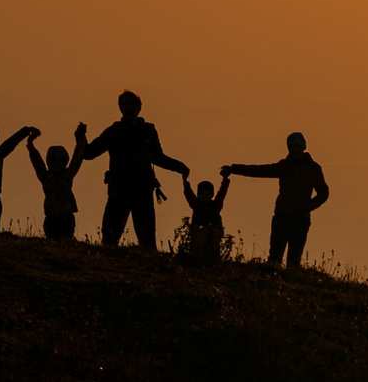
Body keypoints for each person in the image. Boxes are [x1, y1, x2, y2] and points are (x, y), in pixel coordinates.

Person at [75, 90, 190, 252]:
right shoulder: (113, 131)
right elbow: (89, 153)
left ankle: (149, 271)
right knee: (109, 240)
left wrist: (179, 167)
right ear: (120, 108)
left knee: (147, 242)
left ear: (139, 107)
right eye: (125, 105)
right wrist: (80, 138)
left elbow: (157, 157)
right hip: (118, 191)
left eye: (132, 104)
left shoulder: (148, 130)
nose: (129, 108)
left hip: (142, 190)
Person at [222, 133, 330, 268]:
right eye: (290, 147)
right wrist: (234, 169)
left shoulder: (313, 168)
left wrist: (308, 206)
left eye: (296, 146)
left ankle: (292, 286)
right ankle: (272, 282)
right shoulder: (283, 166)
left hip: (300, 219)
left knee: (294, 261)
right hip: (281, 217)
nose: (293, 149)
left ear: (303, 147)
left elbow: (323, 192)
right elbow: (259, 170)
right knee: (274, 259)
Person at [25, 132, 87, 242]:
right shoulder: (45, 176)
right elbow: (37, 162)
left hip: (67, 217)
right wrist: (30, 145)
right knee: (51, 242)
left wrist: (81, 140)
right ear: (49, 163)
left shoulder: (68, 175)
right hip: (51, 217)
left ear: (65, 162)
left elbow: (77, 159)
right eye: (54, 161)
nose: (58, 164)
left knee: (67, 242)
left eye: (60, 161)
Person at [180, 171, 231, 261]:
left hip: (214, 232)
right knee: (199, 241)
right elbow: (188, 193)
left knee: (214, 248)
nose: (206, 196)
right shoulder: (196, 204)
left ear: (212, 195)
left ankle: (214, 261)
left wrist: (225, 179)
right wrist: (185, 181)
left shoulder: (216, 205)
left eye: (208, 194)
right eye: (203, 194)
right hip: (199, 235)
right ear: (198, 195)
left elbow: (222, 192)